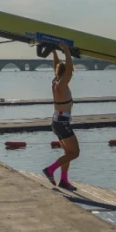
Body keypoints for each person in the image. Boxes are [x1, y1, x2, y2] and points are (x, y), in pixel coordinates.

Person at [43, 43, 79, 191]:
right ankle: (51, 170)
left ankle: (64, 181)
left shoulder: (56, 81)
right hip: (62, 123)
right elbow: (69, 69)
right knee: (74, 153)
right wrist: (66, 51)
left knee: (68, 153)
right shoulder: (62, 84)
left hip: (57, 121)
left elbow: (58, 66)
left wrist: (54, 52)